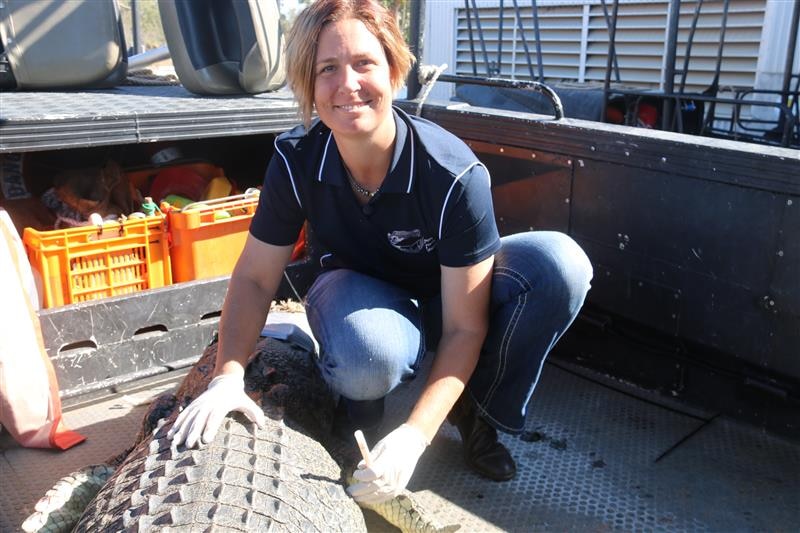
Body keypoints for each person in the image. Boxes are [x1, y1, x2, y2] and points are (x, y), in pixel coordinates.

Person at [168, 0, 592, 505]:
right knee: (367, 358)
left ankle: (473, 409)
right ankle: (358, 412)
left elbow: (464, 326)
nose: (346, 83)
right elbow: (257, 278)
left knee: (560, 264)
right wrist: (227, 377)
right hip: (356, 292)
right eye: (327, 68)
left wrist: (415, 436)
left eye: (364, 63)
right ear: (308, 83)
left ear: (394, 70)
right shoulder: (296, 159)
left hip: (447, 296)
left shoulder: (454, 174)